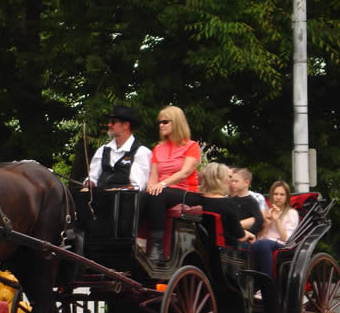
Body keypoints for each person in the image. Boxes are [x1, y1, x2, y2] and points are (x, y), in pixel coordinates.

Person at [143, 106, 202, 261]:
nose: (160, 125)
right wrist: (150, 188)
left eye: (165, 122)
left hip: (187, 193)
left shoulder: (191, 146)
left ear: (176, 122)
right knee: (141, 197)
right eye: (159, 122)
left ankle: (157, 248)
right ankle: (138, 243)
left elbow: (185, 172)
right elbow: (153, 176)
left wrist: (161, 185)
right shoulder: (158, 148)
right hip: (164, 191)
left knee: (159, 194)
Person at [87, 105, 152, 191]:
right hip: (99, 199)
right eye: (109, 121)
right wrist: (89, 183)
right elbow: (93, 177)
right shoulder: (103, 150)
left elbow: (137, 186)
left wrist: (116, 190)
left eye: (113, 122)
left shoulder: (141, 152)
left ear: (125, 125)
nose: (109, 124)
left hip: (124, 201)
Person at [198, 163, 256, 246]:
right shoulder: (228, 203)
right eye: (229, 177)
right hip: (222, 250)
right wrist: (249, 234)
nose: (231, 181)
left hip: (198, 246)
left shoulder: (193, 199)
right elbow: (240, 236)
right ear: (222, 180)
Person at [249, 180, 300, 275]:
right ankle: (254, 282)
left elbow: (287, 238)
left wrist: (277, 220)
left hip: (283, 244)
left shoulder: (292, 213)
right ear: (272, 196)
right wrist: (268, 223)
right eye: (275, 194)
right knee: (255, 244)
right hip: (265, 242)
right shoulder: (269, 211)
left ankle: (267, 281)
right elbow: (260, 237)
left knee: (264, 244)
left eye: (282, 194)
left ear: (287, 197)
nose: (278, 197)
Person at [228, 167, 266, 236]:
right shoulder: (231, 200)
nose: (233, 183)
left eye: (236, 181)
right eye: (232, 181)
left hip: (245, 237)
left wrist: (249, 233)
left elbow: (259, 220)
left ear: (246, 183)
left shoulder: (252, 201)